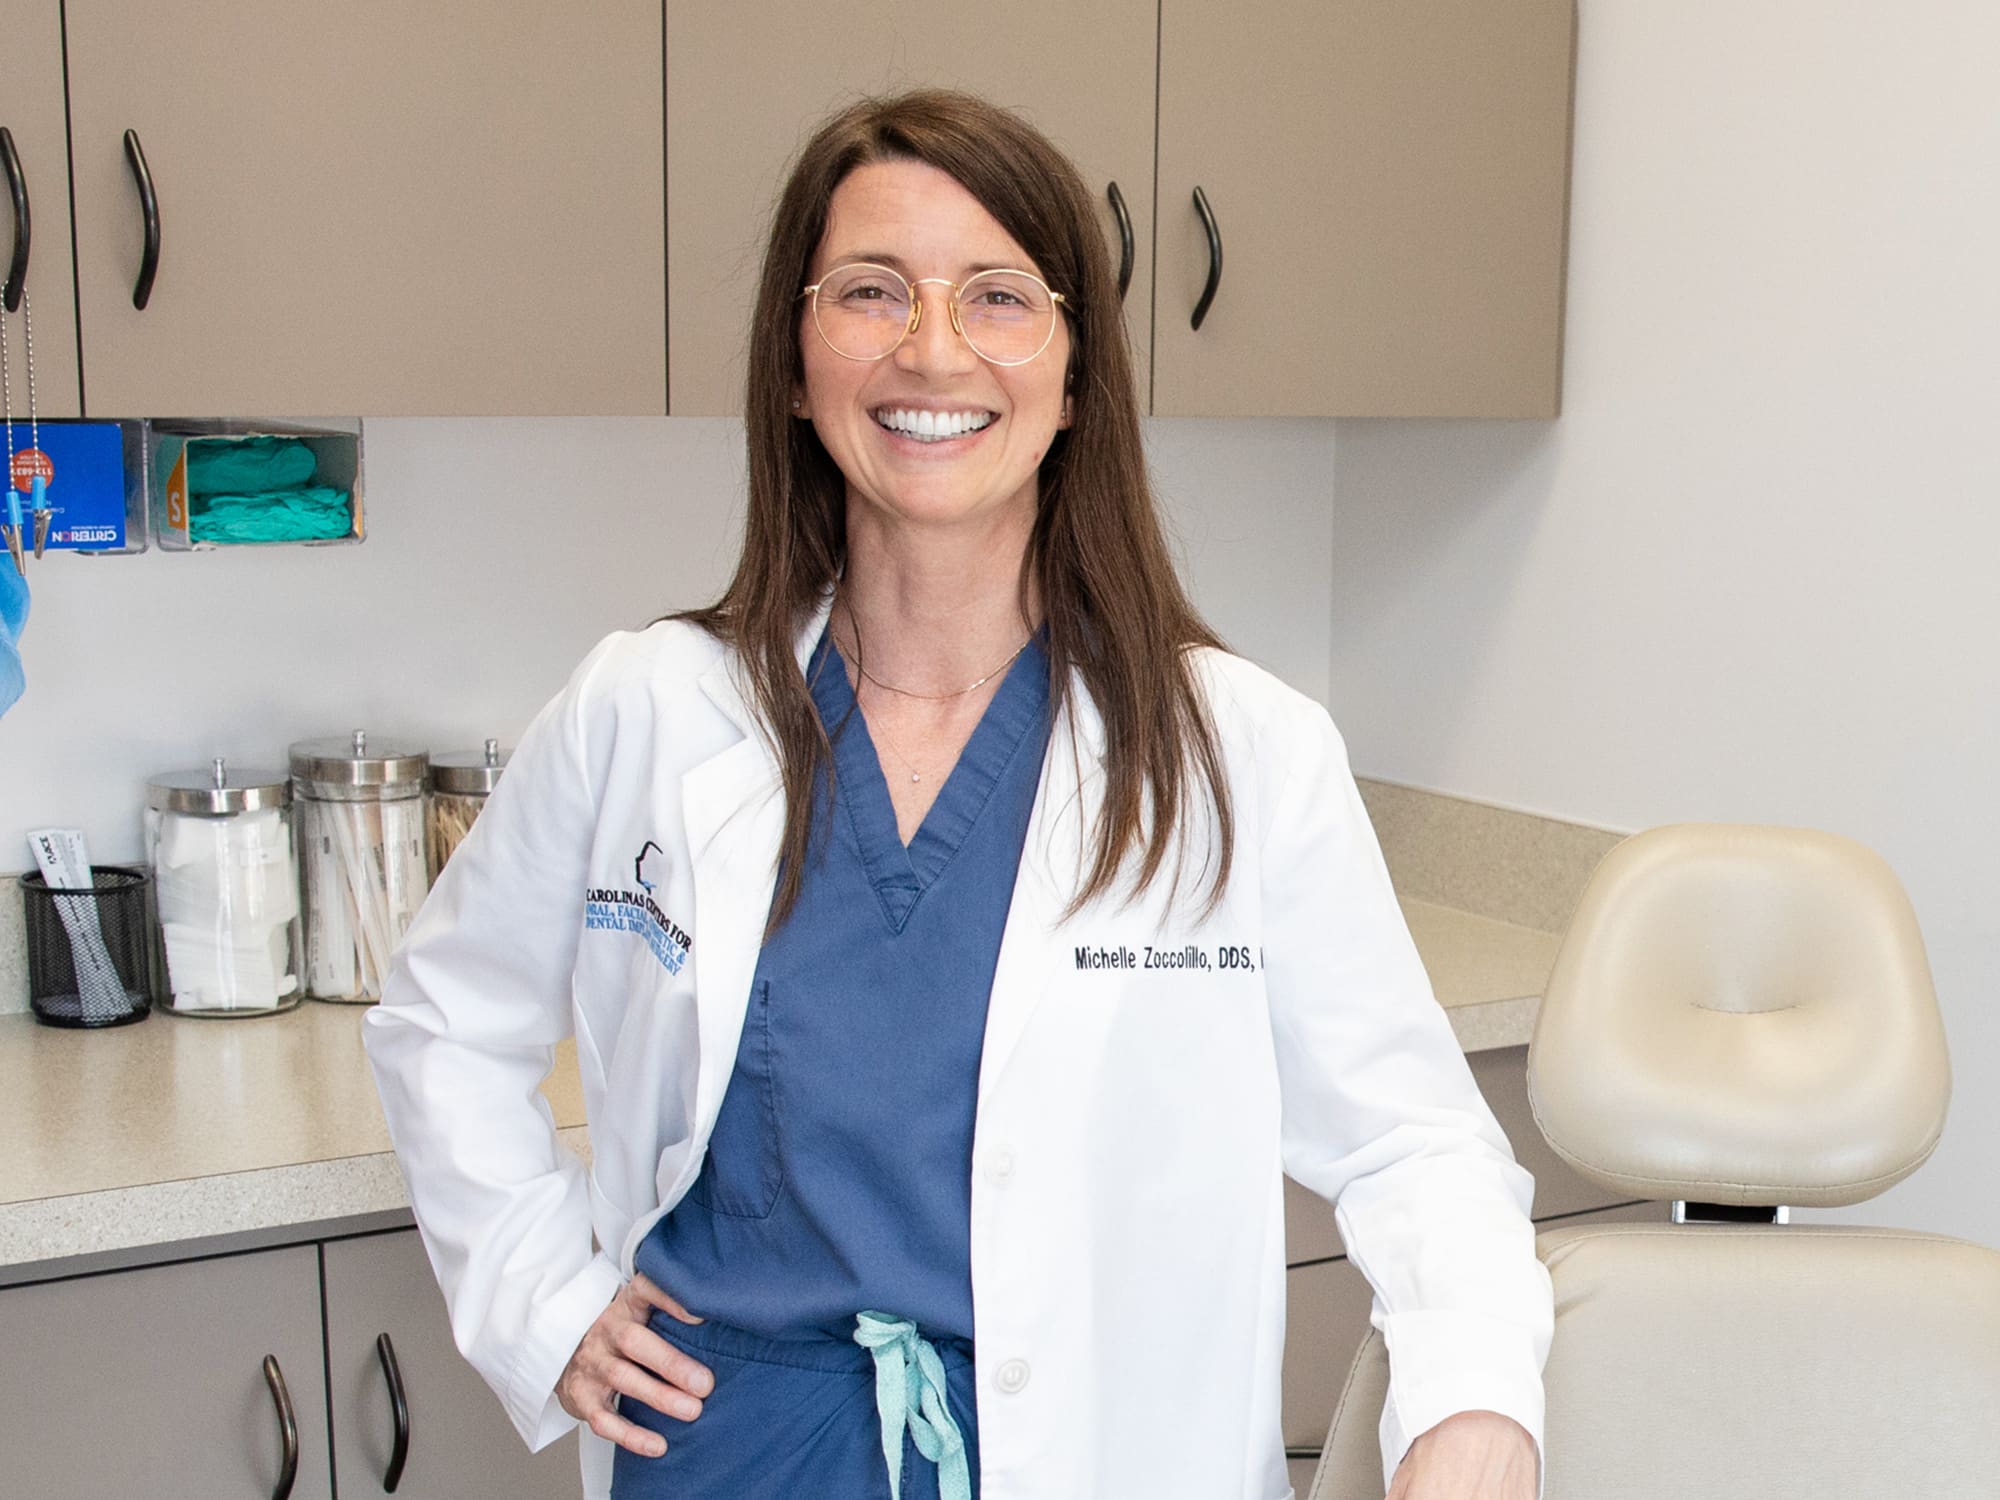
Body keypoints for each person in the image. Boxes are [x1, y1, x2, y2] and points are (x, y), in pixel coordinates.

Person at [364, 89, 1551, 1500]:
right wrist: (542, 1300)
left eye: (997, 297)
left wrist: (1474, 1405)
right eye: (870, 292)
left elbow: (1413, 1141)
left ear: (1074, 374)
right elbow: (444, 1019)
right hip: (728, 1457)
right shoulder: (653, 710)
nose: (931, 349)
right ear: (796, 365)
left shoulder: (1238, 754)